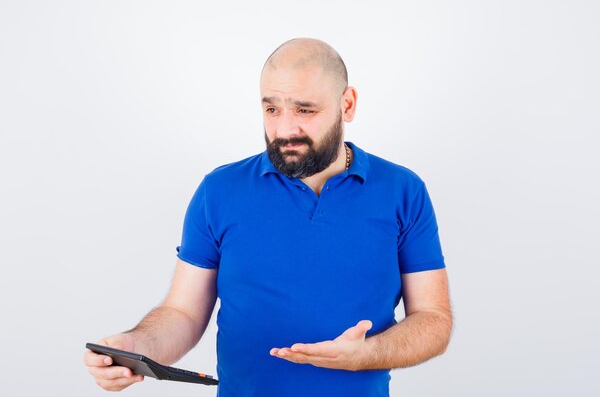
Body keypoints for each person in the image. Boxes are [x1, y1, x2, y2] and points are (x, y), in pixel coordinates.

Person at [83, 37, 453, 397]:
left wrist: (366, 355)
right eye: (272, 109)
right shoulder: (219, 190)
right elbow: (183, 312)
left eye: (305, 110)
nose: (285, 130)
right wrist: (135, 345)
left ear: (347, 104)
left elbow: (433, 320)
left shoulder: (403, 190)